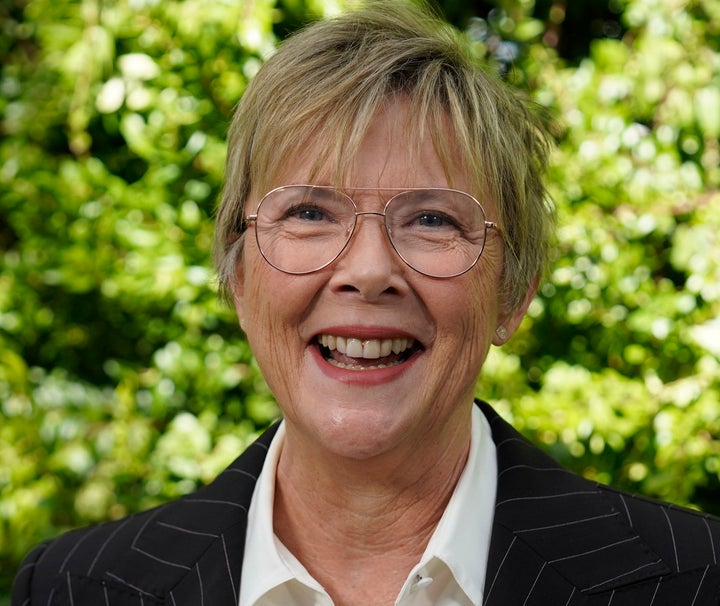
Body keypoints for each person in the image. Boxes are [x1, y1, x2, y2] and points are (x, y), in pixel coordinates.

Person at [13, 2, 720, 605]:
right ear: (236, 272)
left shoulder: (696, 579)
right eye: (311, 213)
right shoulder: (76, 587)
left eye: (435, 220)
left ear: (514, 291)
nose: (369, 271)